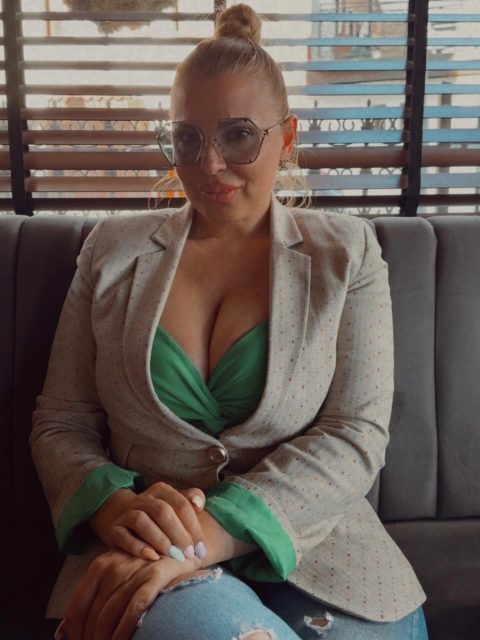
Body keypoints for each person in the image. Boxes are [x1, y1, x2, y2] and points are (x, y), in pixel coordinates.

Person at [30, 4, 429, 640]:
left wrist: (207, 535)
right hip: (146, 561)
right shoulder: (110, 252)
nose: (208, 164)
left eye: (238, 135)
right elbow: (62, 421)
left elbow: (355, 432)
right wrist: (113, 506)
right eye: (187, 138)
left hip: (327, 558)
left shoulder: (347, 254)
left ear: (287, 138)